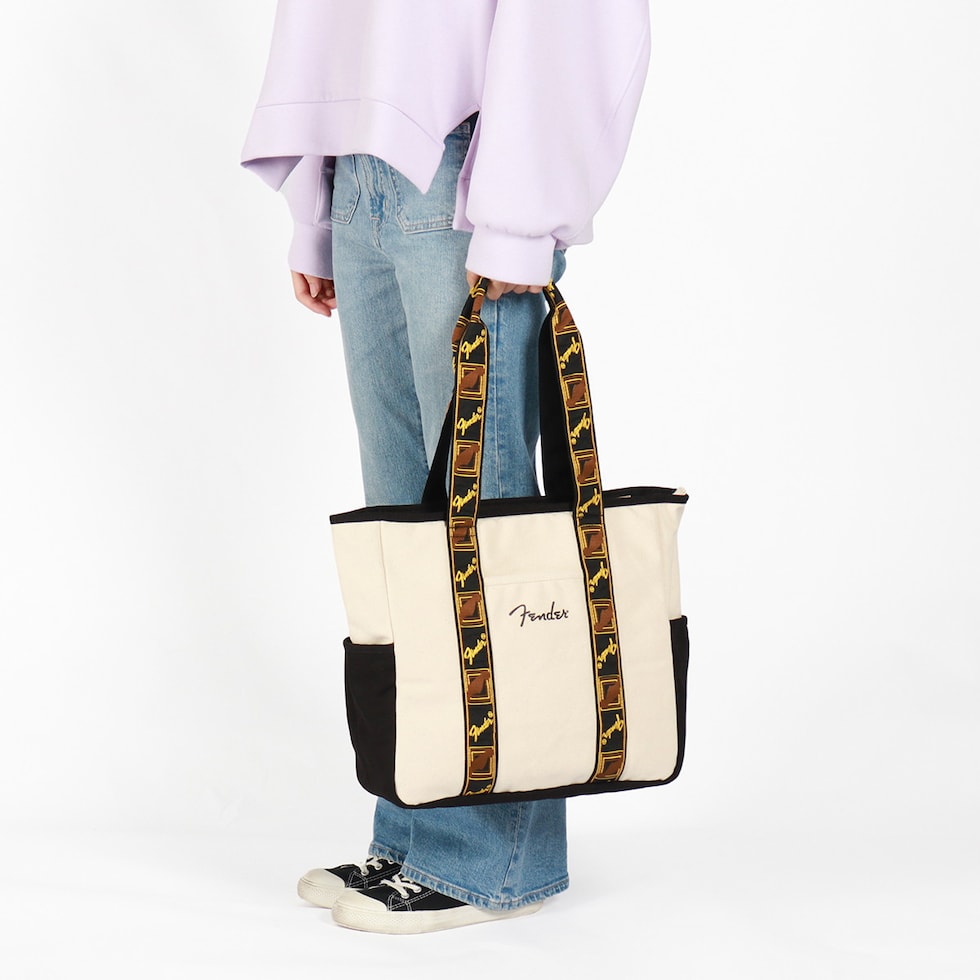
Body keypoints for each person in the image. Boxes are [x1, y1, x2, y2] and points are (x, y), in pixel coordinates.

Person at [241, 0, 651, 935]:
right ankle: (418, 830)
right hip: (365, 164)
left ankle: (491, 858)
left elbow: (577, 20)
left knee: (486, 527)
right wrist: (320, 209)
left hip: (465, 169)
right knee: (405, 540)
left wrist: (521, 219)